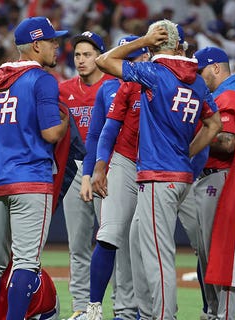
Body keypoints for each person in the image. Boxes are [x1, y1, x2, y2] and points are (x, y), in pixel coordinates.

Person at [95, 20, 222, 319]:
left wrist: (142, 40)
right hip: (180, 175)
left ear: (154, 45)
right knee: (143, 243)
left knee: (157, 256)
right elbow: (214, 124)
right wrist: (187, 151)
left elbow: (104, 61)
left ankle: (165, 316)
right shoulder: (197, 79)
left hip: (158, 176)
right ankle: (152, 312)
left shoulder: (154, 73)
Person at [0, 16, 67, 320]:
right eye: (53, 42)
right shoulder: (42, 79)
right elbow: (51, 134)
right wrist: (65, 121)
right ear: (37, 45)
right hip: (30, 179)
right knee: (26, 262)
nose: (57, 47)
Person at [178, 46, 235, 320]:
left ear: (217, 68)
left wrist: (196, 129)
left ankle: (221, 314)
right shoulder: (228, 93)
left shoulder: (228, 96)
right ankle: (213, 312)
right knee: (209, 253)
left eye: (201, 71)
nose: (198, 76)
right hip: (214, 179)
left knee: (217, 253)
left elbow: (228, 142)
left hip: (218, 180)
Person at [84, 35, 150, 320]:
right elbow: (102, 131)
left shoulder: (162, 82)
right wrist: (96, 168)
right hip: (121, 163)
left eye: (134, 57)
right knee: (109, 234)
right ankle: (94, 308)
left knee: (141, 243)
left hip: (154, 166)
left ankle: (142, 310)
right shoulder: (113, 88)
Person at [58, 30, 113, 320]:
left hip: (107, 168)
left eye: (88, 54)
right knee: (77, 244)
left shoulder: (114, 86)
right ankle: (81, 307)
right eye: (77, 54)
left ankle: (120, 305)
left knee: (111, 240)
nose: (81, 60)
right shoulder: (63, 89)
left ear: (100, 56)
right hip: (75, 168)